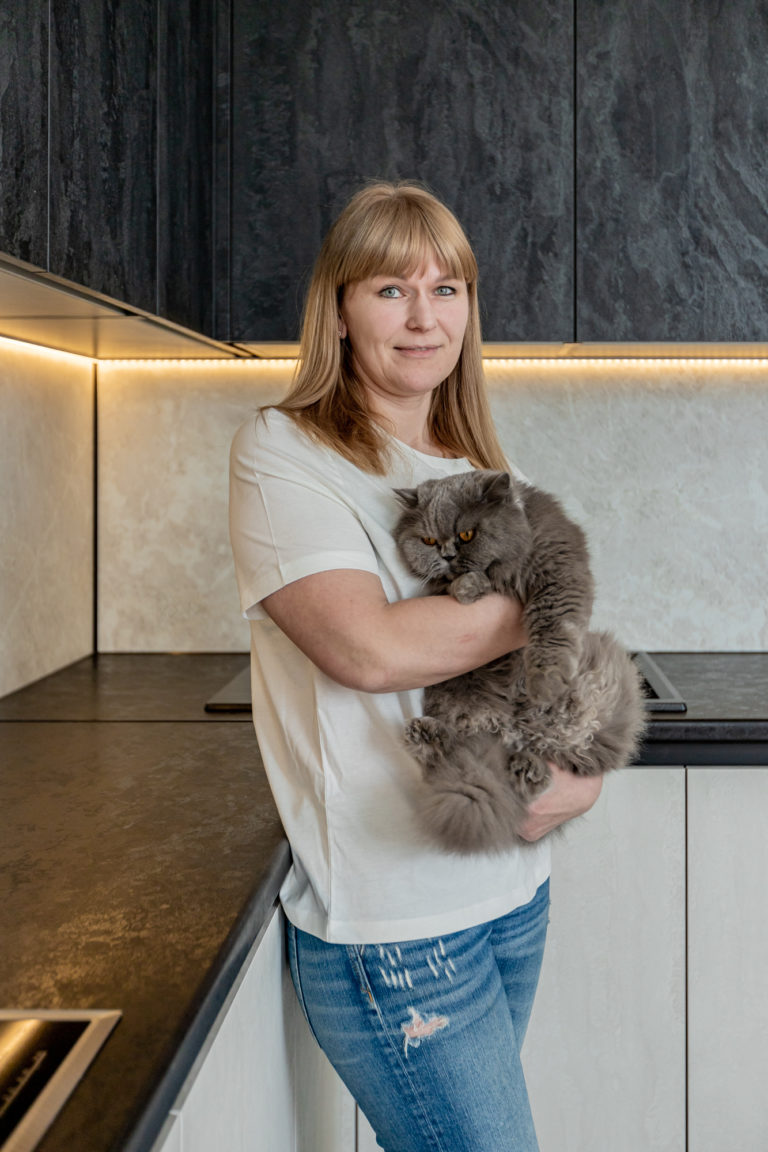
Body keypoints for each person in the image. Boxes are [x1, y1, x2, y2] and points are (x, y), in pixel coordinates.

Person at [229, 181, 602, 1152]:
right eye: (391, 289)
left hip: (512, 888)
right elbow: (370, 650)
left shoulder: (480, 464)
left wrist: (579, 772)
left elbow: (545, 673)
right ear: (339, 312)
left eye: (447, 288)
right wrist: (547, 599)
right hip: (395, 927)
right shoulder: (286, 451)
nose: (424, 317)